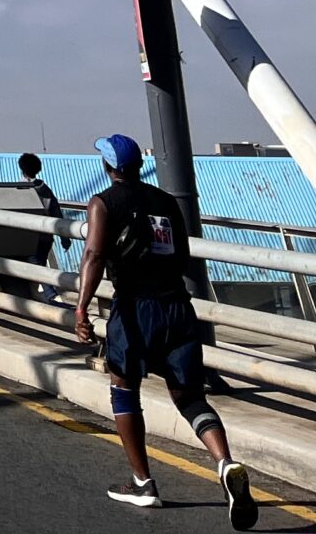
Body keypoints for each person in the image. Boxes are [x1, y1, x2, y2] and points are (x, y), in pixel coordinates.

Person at [74, 134, 256, 526]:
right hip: (177, 307)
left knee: (124, 388)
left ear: (107, 167)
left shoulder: (102, 203)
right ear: (139, 165)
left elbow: (93, 254)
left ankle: (143, 483)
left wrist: (82, 308)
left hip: (136, 309)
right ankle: (225, 464)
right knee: (189, 398)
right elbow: (184, 256)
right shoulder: (166, 201)